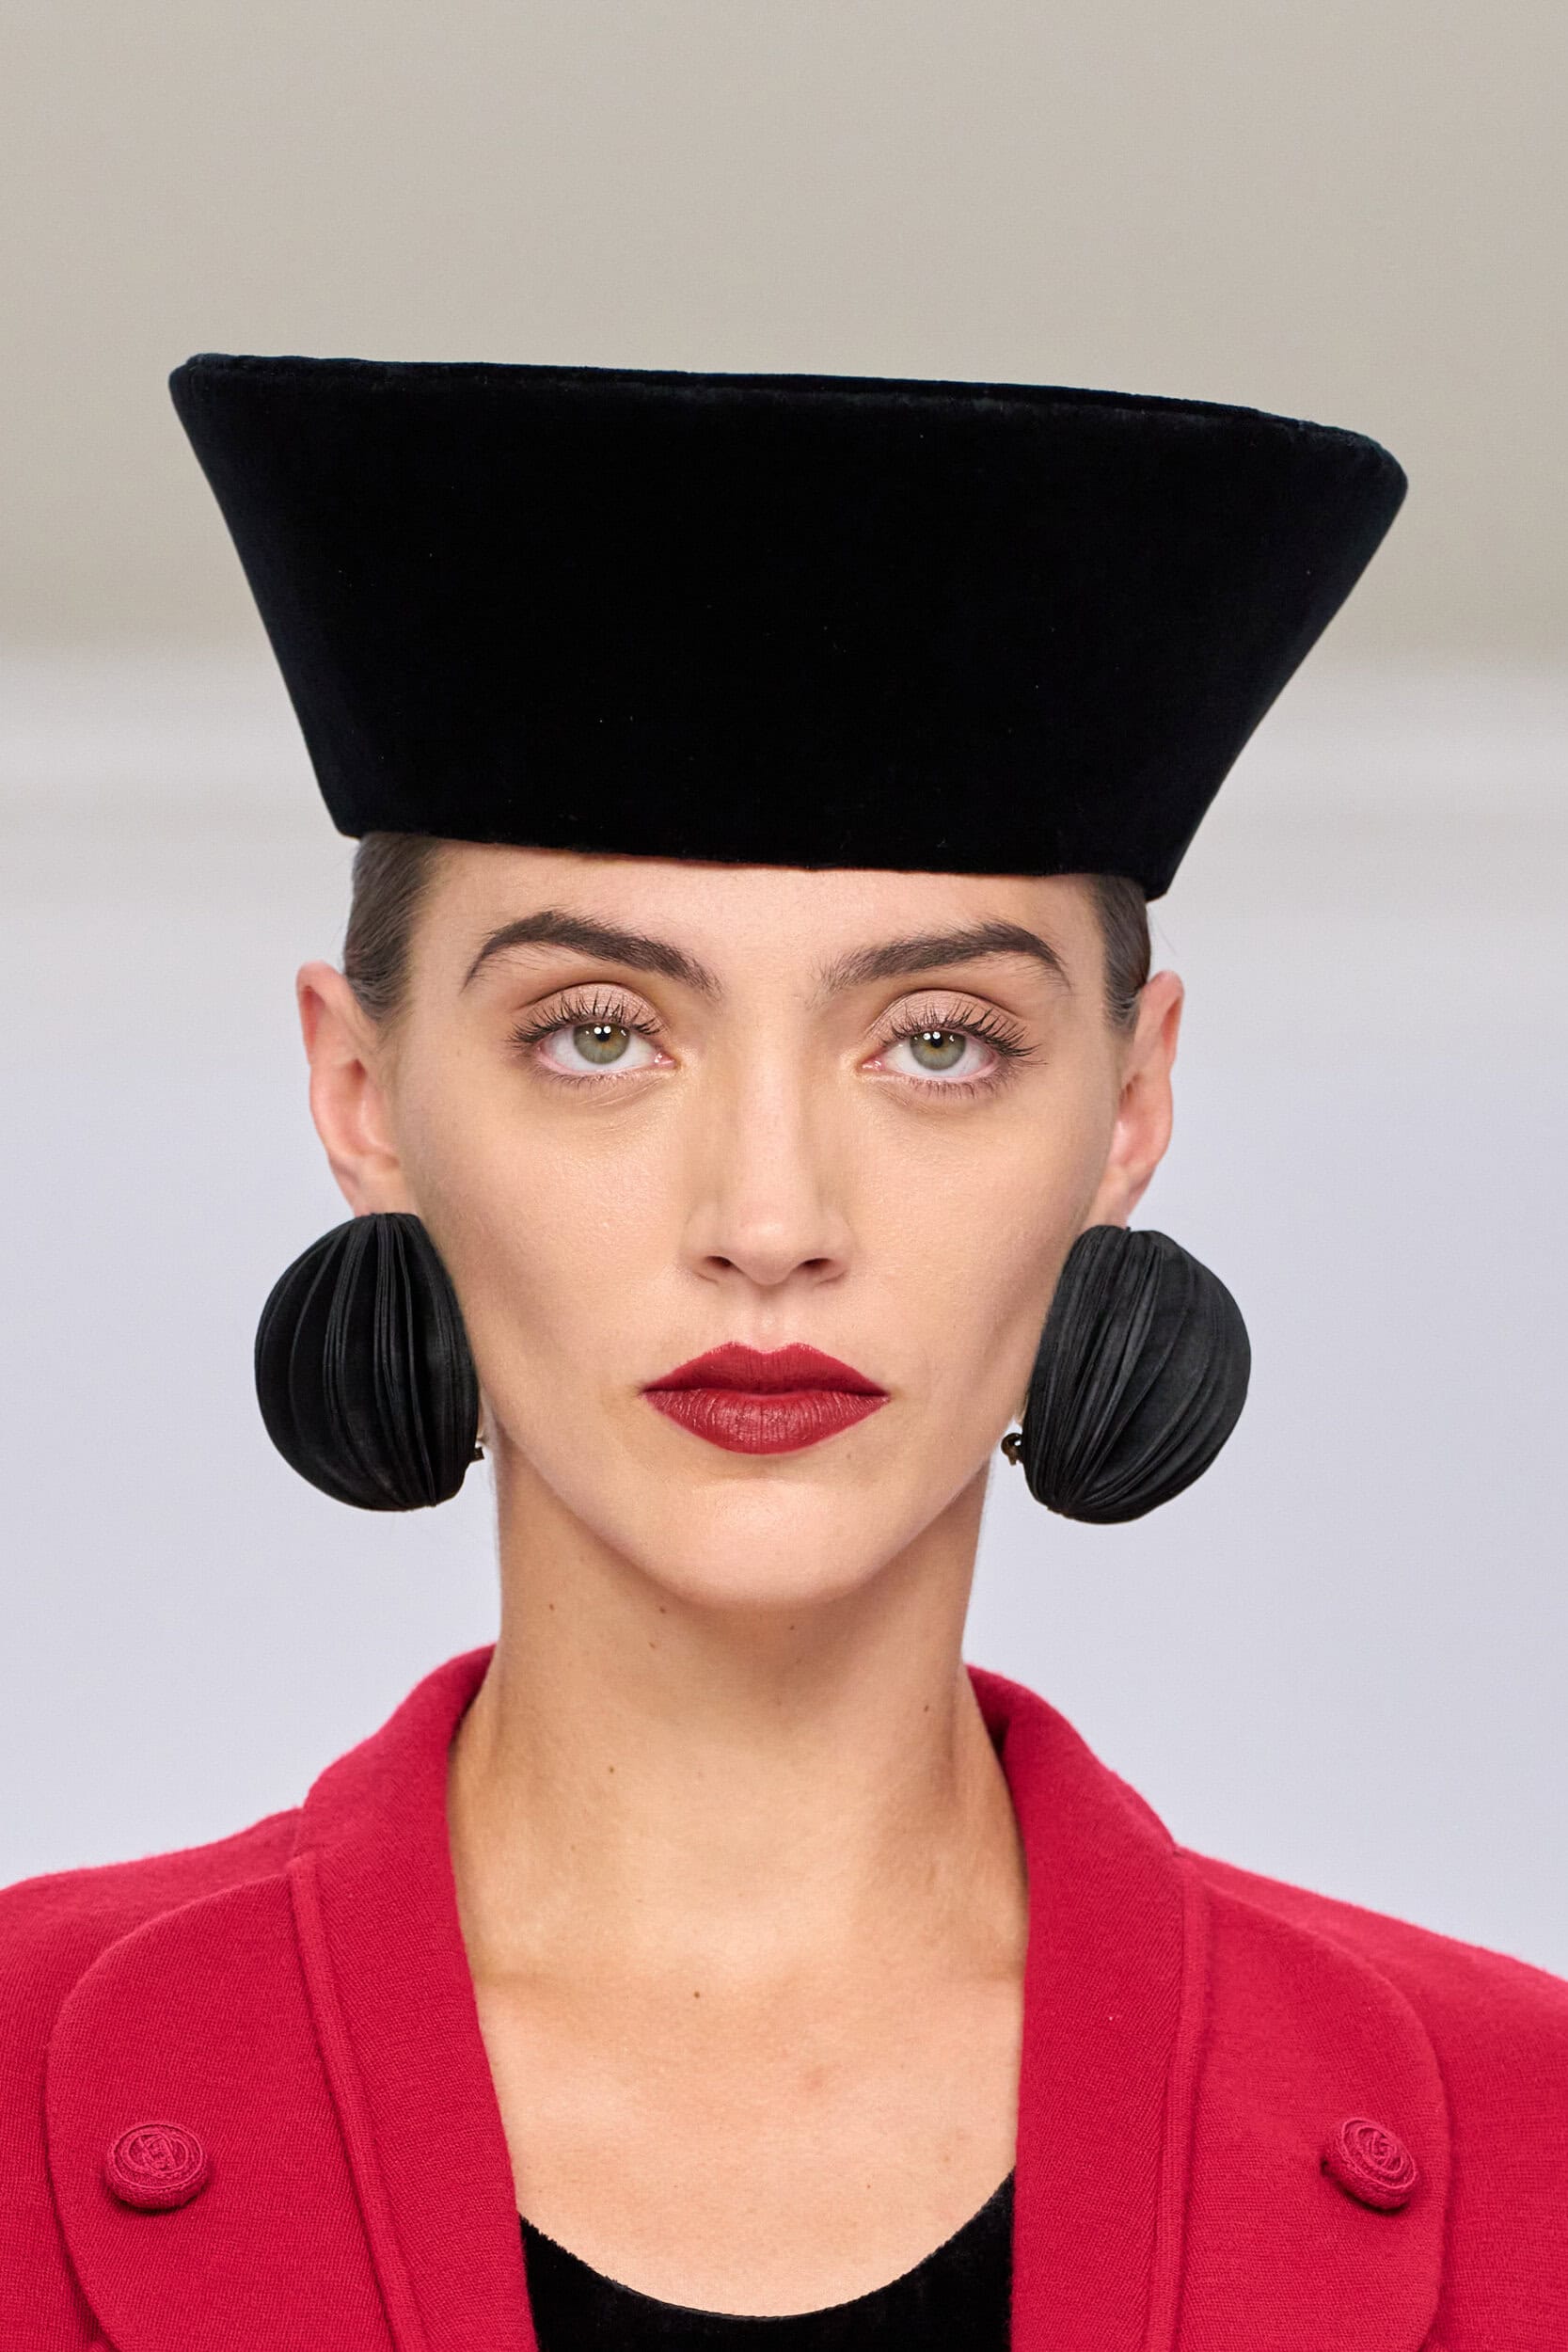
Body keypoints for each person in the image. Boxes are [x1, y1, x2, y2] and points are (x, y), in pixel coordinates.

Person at [3, 355, 1563, 2351]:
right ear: (362, 1091)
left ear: (1130, 1106)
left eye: (939, 1042)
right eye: (599, 1033)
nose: (767, 1214)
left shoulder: (1537, 2146)